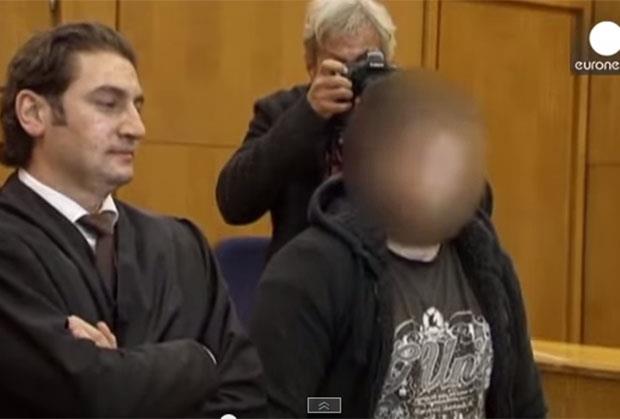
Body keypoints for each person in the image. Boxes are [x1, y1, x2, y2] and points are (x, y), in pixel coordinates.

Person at [0, 22, 265, 417]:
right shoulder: (9, 245)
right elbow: (89, 393)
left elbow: (246, 394)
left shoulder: (180, 246)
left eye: (136, 106)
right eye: (108, 104)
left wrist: (124, 373)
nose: (136, 128)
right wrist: (199, 359)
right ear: (33, 112)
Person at [250, 71, 546, 418]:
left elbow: (523, 403)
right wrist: (336, 411)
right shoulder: (307, 273)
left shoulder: (486, 261)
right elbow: (288, 408)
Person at [216, 0, 397, 259]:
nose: (352, 77)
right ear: (311, 66)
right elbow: (233, 204)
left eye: (362, 64)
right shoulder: (281, 111)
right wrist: (307, 116)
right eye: (340, 66)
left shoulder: (407, 117)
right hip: (302, 272)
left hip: (384, 274)